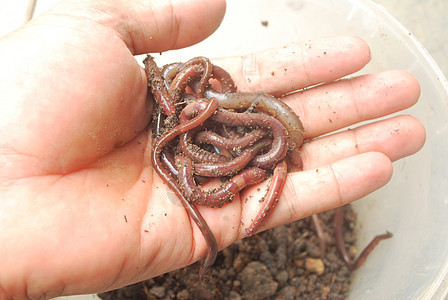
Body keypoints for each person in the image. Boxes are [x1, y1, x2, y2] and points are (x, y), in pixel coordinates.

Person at [0, 0, 425, 298]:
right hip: (209, 145)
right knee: (230, 143)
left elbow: (233, 128)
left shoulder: (209, 116)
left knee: (248, 140)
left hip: (224, 139)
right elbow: (203, 126)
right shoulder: (190, 114)